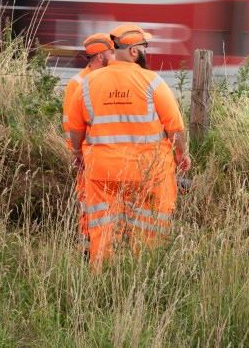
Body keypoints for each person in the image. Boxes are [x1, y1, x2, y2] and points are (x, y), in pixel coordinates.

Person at [66, 23, 191, 265]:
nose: (146, 50)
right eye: (145, 46)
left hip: (102, 171)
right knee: (148, 227)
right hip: (148, 171)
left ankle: (102, 278)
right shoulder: (152, 82)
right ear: (134, 51)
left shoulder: (88, 83)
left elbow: (76, 127)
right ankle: (141, 273)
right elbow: (174, 125)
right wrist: (182, 153)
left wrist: (77, 154)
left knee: (103, 227)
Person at [61, 33, 115, 253]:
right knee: (87, 202)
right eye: (112, 52)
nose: (115, 55)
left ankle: (102, 246)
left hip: (105, 155)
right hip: (87, 155)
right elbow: (71, 124)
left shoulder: (105, 80)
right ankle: (87, 248)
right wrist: (78, 154)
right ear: (101, 56)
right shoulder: (78, 83)